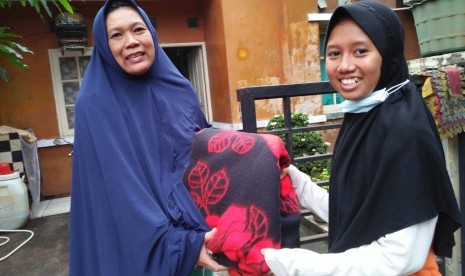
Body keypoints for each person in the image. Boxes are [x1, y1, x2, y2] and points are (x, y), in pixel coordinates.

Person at [262, 1, 461, 275]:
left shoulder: (404, 130)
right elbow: (358, 214)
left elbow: (400, 258)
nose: (344, 66)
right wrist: (300, 184)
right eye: (333, 53)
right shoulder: (367, 114)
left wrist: (287, 264)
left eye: (360, 51)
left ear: (387, 54)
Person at [69, 0, 226, 275]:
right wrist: (179, 246)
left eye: (138, 29)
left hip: (199, 233)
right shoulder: (95, 103)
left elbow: (205, 148)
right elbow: (120, 193)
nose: (131, 41)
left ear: (151, 35)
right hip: (145, 247)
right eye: (116, 35)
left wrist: (255, 157)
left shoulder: (177, 87)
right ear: (104, 47)